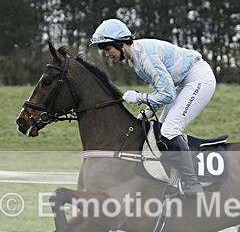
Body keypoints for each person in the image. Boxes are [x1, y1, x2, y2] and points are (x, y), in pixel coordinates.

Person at [89, 18, 216, 195]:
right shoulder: (135, 58)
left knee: (170, 130)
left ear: (120, 44)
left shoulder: (144, 56)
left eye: (108, 49)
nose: (107, 55)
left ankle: (192, 184)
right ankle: (174, 182)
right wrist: (147, 113)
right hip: (181, 83)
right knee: (159, 132)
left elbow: (167, 94)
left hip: (198, 80)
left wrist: (138, 97)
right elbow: (162, 91)